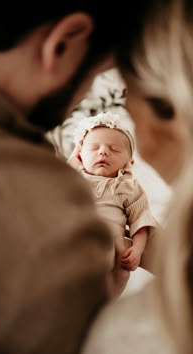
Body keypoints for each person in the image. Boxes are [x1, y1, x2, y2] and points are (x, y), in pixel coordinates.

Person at [0, 3, 145, 354]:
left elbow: (140, 215)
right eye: (97, 73)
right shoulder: (48, 200)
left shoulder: (125, 187)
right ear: (63, 44)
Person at [82, 1, 193, 354]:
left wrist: (137, 244)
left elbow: (141, 217)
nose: (102, 154)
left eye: (130, 109)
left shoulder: (127, 335)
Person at [68, 112, 157, 297]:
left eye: (115, 149)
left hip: (115, 242)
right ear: (79, 156)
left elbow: (141, 221)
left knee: (121, 267)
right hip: (77, 235)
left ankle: (108, 301)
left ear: (129, 163)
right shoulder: (73, 178)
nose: (103, 152)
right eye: (93, 148)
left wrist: (138, 250)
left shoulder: (128, 186)